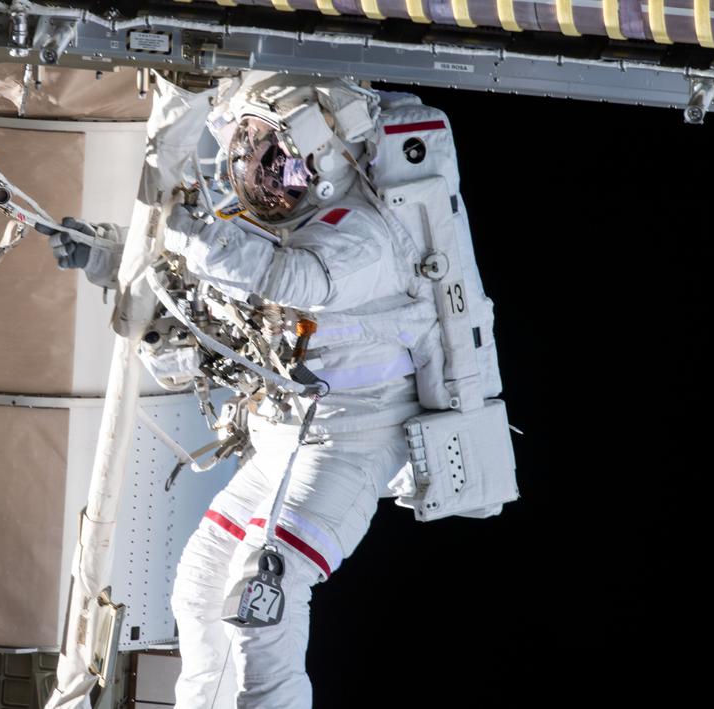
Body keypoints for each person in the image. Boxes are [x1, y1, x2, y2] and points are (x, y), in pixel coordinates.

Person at [49, 76, 483, 708]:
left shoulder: (367, 233)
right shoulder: (266, 228)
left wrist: (182, 231)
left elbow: (289, 278)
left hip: (353, 439)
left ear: (321, 156)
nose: (263, 174)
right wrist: (106, 257)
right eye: (251, 153)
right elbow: (197, 293)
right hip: (285, 435)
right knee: (200, 585)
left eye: (276, 159)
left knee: (263, 592)